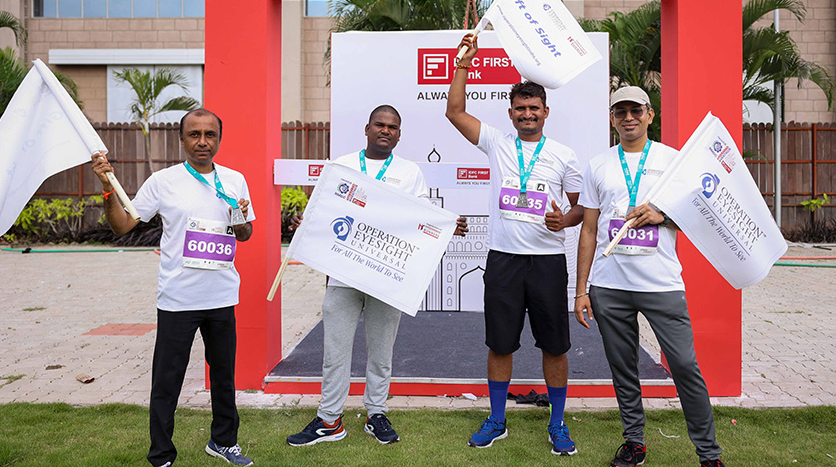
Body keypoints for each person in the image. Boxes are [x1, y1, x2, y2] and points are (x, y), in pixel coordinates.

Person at [286, 104, 468, 448]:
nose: (386, 130)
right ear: (367, 129)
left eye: (393, 127)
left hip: (387, 276)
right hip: (343, 274)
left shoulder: (409, 171)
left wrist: (446, 227)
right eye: (380, 125)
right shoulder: (341, 165)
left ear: (399, 134)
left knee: (382, 351)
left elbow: (421, 218)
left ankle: (376, 413)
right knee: (335, 349)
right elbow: (322, 211)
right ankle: (329, 419)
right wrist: (305, 223)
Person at [91, 108, 255, 467]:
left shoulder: (235, 180)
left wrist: (239, 216)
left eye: (209, 134)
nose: (202, 142)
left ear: (219, 139)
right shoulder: (163, 182)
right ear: (181, 140)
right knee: (167, 383)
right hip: (178, 299)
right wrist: (107, 190)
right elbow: (122, 225)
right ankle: (162, 454)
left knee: (224, 378)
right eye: (194, 134)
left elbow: (244, 235)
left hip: (222, 296)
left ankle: (224, 443)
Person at [446, 34, 584, 456]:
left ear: (546, 112)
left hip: (546, 262)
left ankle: (557, 423)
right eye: (520, 109)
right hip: (504, 260)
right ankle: (497, 419)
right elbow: (454, 112)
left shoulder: (564, 155)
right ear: (511, 113)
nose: (527, 114)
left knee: (555, 345)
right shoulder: (496, 142)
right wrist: (464, 65)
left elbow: (583, 210)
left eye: (534, 108)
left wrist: (566, 218)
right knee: (500, 343)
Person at [574, 86, 726, 467]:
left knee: (685, 367)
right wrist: (580, 290)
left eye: (635, 111)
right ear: (612, 119)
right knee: (623, 368)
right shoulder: (598, 165)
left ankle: (709, 454)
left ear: (649, 114)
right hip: (610, 286)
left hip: (661, 284)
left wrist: (664, 215)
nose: (628, 118)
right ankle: (634, 443)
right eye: (620, 112)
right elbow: (589, 231)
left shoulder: (673, 161)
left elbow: (700, 213)